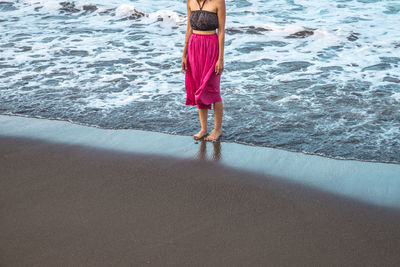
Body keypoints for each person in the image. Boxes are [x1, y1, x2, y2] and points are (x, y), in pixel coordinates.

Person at [181, 0, 226, 142]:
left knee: (213, 88)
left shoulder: (219, 1)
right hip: (194, 46)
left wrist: (220, 58)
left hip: (211, 46)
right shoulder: (190, 1)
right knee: (198, 87)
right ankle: (203, 129)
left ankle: (217, 130)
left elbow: (222, 32)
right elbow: (188, 29)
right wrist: (184, 55)